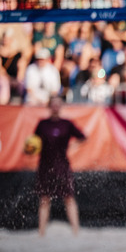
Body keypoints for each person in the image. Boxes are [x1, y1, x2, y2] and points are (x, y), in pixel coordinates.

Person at [32, 96, 87, 237]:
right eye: (53, 104)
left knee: (69, 197)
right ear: (49, 106)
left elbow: (83, 137)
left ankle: (76, 231)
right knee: (44, 198)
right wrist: (29, 149)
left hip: (62, 165)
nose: (55, 107)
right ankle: (41, 233)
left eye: (58, 104)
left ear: (61, 106)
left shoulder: (66, 124)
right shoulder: (42, 124)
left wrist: (72, 146)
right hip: (45, 165)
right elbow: (33, 142)